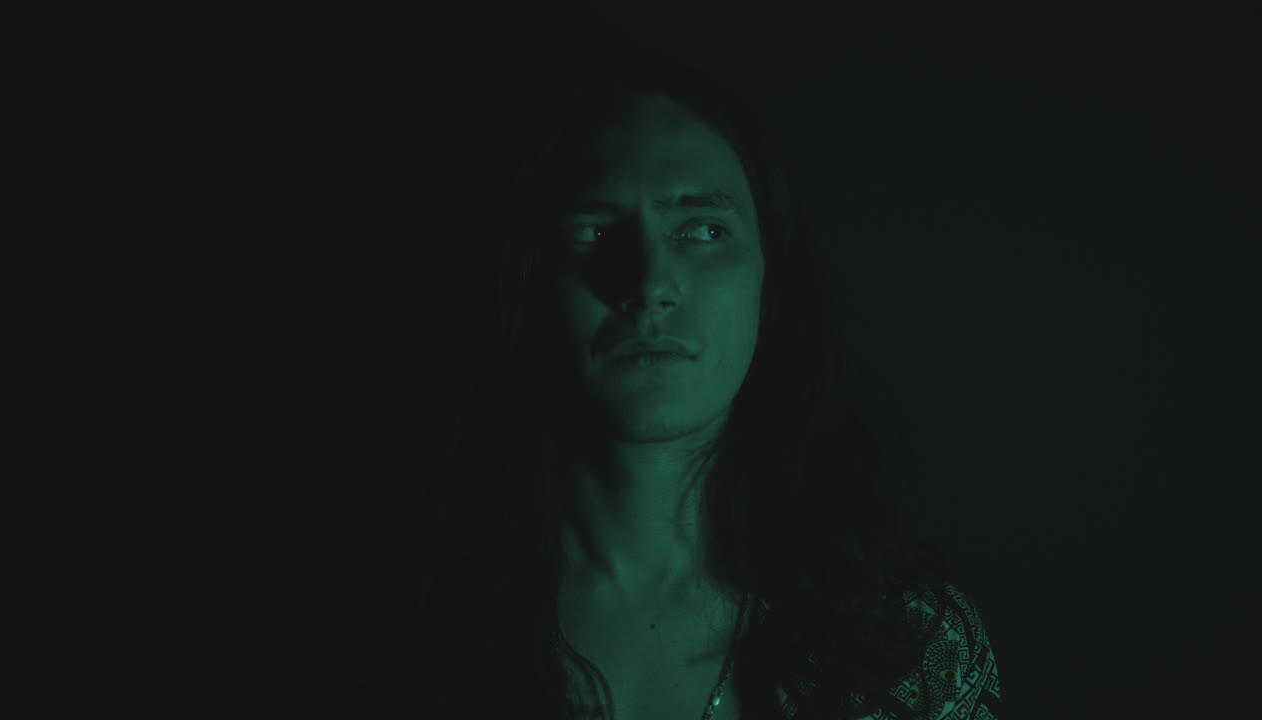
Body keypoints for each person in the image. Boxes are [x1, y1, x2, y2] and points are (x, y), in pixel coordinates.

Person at [342, 33, 1004, 720]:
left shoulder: (906, 642)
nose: (650, 284)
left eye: (703, 230)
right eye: (595, 231)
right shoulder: (393, 631)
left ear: (769, 281)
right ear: (524, 283)